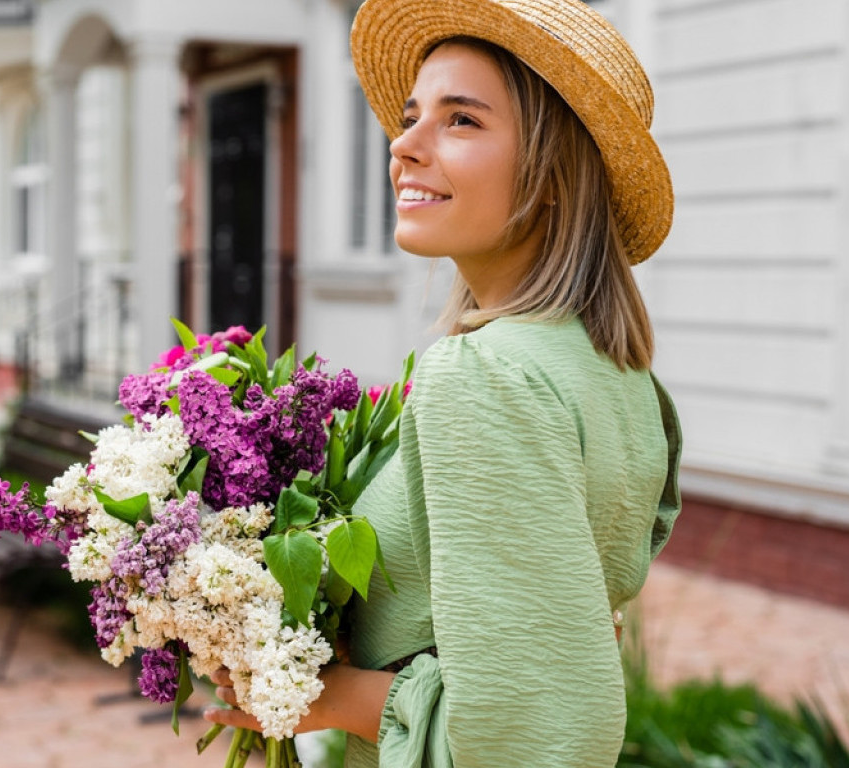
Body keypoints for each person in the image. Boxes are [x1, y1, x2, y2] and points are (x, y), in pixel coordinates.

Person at [204, 0, 683, 765]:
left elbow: (533, 736)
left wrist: (322, 694)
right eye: (411, 116)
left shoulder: (485, 377)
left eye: (461, 121)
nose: (404, 146)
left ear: (554, 171)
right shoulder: (613, 373)